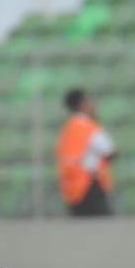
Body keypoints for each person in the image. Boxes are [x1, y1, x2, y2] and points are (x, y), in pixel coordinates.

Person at [56, 88, 116, 216]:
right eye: (90, 101)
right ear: (83, 104)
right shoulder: (89, 128)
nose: (94, 105)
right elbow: (110, 152)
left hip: (71, 188)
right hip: (89, 186)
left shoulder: (68, 129)